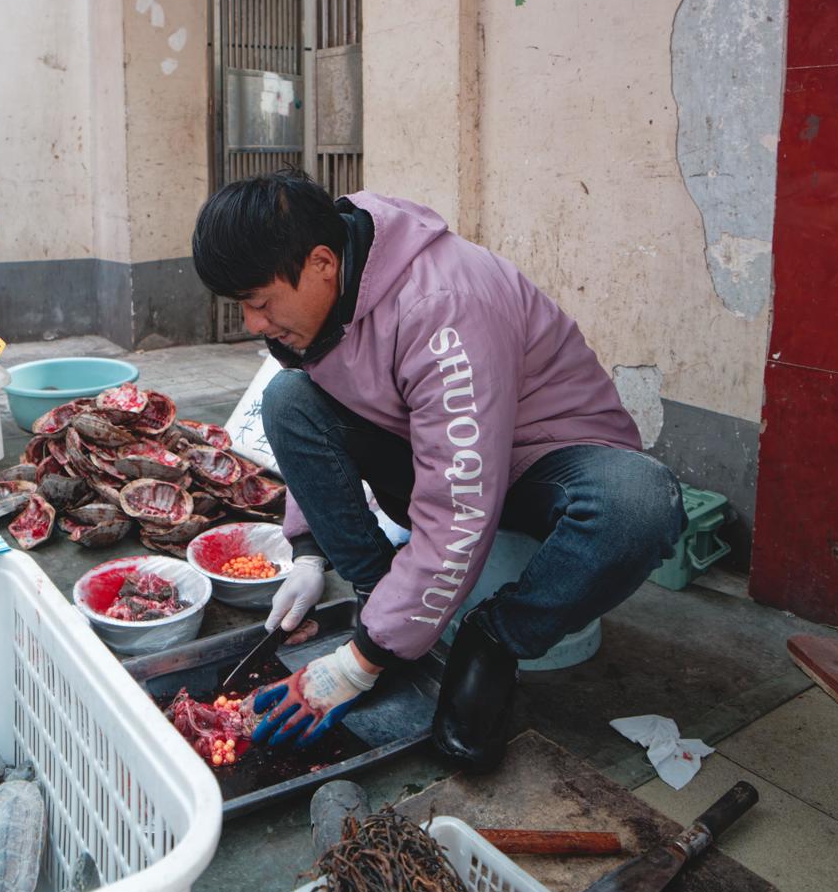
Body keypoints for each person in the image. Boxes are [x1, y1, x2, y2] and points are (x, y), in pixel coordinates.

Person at [190, 171, 685, 773]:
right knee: (288, 400)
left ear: (322, 262)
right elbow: (342, 419)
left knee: (639, 504)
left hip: (545, 461)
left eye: (260, 303)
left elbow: (460, 501)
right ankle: (382, 597)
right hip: (442, 457)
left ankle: (495, 639)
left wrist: (359, 662)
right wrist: (310, 550)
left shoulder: (442, 305)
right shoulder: (333, 290)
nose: (253, 324)